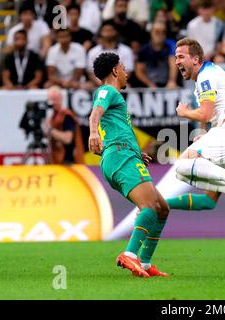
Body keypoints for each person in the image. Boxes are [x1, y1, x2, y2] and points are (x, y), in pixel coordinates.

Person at [166, 38, 225, 234]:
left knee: (182, 164)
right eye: (175, 57)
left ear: (195, 59)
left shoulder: (205, 76)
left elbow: (205, 114)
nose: (176, 62)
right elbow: (215, 115)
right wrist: (206, 134)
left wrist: (184, 112)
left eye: (181, 57)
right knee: (182, 172)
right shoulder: (209, 73)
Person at [88, 52, 169, 277]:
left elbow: (112, 126)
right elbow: (95, 113)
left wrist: (136, 152)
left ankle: (144, 263)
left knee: (162, 209)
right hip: (119, 157)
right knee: (150, 207)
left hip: (125, 155)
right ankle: (130, 255)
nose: (126, 72)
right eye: (123, 68)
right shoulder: (108, 90)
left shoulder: (115, 96)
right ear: (115, 71)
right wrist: (93, 132)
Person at [43, 86, 84, 164]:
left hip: (69, 161)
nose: (53, 102)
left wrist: (50, 130)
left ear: (61, 99)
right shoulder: (53, 116)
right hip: (57, 159)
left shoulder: (66, 116)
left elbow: (67, 139)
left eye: (55, 99)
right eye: (51, 99)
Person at [87, 21, 135, 86]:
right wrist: (103, 84)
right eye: (105, 30)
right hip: (99, 86)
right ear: (101, 33)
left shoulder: (126, 50)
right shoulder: (93, 51)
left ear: (116, 32)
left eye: (110, 30)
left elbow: (128, 71)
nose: (108, 33)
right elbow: (91, 72)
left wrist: (115, 84)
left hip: (120, 86)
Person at [133, 21, 178, 89]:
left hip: (168, 84)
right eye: (157, 32)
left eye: (163, 32)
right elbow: (139, 71)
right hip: (149, 86)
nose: (160, 34)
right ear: (151, 32)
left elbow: (173, 65)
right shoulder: (144, 49)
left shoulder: (170, 46)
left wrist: (172, 81)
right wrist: (149, 83)